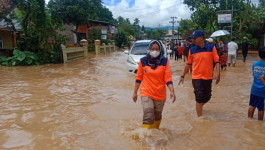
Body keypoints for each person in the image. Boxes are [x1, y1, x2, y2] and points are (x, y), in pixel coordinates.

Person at [133, 40, 176, 129]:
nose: (154, 51)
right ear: (149, 49)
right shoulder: (143, 61)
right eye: (152, 49)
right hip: (146, 92)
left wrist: (172, 90)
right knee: (148, 115)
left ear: (160, 50)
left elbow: (167, 77)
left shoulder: (164, 61)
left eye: (157, 49)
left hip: (160, 94)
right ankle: (146, 138)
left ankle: (155, 134)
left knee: (157, 116)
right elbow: (139, 78)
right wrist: (135, 92)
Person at [178, 30, 220, 117]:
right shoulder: (192, 50)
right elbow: (188, 64)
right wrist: (183, 75)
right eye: (192, 38)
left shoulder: (211, 48)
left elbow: (217, 61)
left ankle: (199, 107)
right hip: (196, 77)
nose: (193, 40)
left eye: (195, 38)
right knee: (199, 97)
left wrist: (218, 73)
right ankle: (200, 119)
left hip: (208, 77)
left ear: (201, 38)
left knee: (207, 97)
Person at [248, 47, 265, 121]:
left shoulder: (255, 64)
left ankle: (249, 121)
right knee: (261, 108)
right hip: (263, 90)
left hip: (254, 89)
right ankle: (260, 123)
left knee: (252, 105)